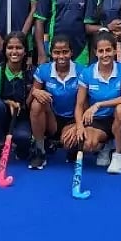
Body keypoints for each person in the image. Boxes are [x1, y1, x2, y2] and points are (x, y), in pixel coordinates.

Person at [75, 31, 121, 174]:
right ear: (96, 52)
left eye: (108, 50)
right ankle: (106, 146)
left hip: (117, 118)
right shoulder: (87, 73)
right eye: (101, 51)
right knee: (88, 145)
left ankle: (118, 155)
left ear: (115, 50)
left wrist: (99, 104)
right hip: (97, 120)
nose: (105, 54)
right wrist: (79, 126)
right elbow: (79, 105)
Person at [0, 32, 34, 168]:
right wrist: (6, 102)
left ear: (25, 51)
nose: (14, 52)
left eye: (19, 48)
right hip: (0, 118)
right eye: (10, 48)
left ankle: (23, 148)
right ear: (4, 51)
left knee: (23, 138)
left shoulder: (32, 73)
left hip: (22, 118)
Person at [28, 35, 81, 169]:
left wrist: (78, 125)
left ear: (71, 52)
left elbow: (84, 103)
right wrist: (35, 92)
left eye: (65, 52)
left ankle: (68, 146)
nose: (61, 56)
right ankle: (39, 150)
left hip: (72, 119)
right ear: (51, 53)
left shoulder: (82, 71)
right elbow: (29, 102)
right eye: (57, 52)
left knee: (69, 144)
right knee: (36, 103)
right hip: (52, 119)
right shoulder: (43, 70)